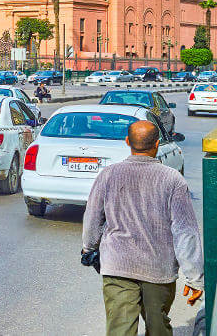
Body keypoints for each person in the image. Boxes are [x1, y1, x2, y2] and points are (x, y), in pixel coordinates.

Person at [82, 120, 203, 336]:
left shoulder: (108, 174)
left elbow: (92, 218)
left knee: (120, 329)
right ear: (157, 144)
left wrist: (89, 247)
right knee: (158, 329)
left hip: (118, 267)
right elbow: (185, 232)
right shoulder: (173, 179)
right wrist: (195, 278)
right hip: (158, 269)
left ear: (127, 142)